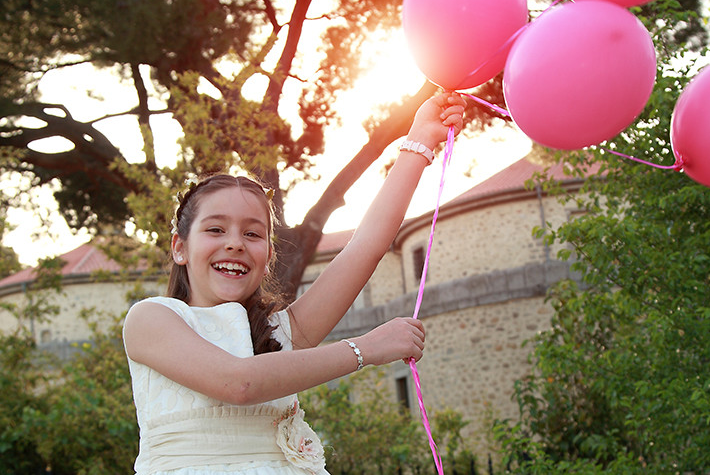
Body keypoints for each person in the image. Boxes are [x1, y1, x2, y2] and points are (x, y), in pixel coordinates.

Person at [123, 92, 467, 475]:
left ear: (269, 256)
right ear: (180, 247)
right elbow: (239, 384)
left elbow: (366, 247)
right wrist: (365, 348)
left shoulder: (282, 336)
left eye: (252, 234)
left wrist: (417, 144)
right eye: (216, 229)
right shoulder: (151, 319)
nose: (234, 242)